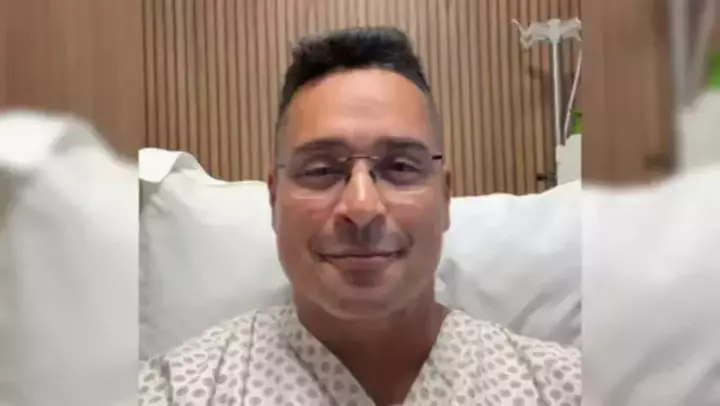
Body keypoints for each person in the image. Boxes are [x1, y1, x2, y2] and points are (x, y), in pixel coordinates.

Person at [138, 26, 581, 406]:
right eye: (321, 170)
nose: (362, 207)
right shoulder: (176, 392)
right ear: (273, 201)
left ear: (446, 198)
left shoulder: (567, 388)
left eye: (401, 167)